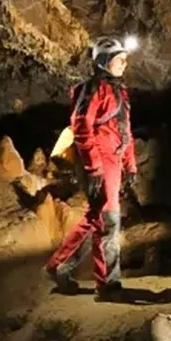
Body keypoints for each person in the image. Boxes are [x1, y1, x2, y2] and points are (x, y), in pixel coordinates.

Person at [45, 36, 138, 301]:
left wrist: (129, 164)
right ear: (104, 62)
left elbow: (125, 130)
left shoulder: (119, 91)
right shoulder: (93, 89)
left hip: (113, 162)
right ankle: (108, 285)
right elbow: (81, 126)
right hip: (98, 161)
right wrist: (94, 167)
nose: (125, 64)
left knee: (96, 217)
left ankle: (59, 266)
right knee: (108, 222)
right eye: (120, 59)